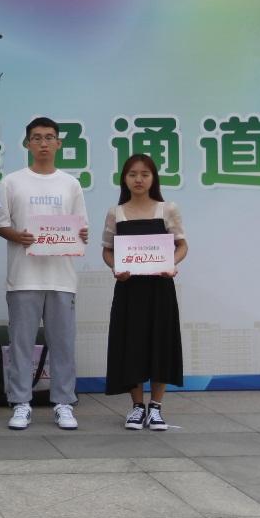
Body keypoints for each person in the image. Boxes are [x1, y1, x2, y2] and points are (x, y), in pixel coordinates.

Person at [0, 117, 88, 431]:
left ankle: (63, 402)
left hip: (62, 277)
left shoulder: (70, 184)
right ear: (27, 144)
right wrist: (17, 236)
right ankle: (21, 402)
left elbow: (81, 227)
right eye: (37, 138)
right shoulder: (11, 182)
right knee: (21, 344)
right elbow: (0, 224)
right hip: (23, 276)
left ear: (59, 143)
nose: (43, 143)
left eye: (49, 137)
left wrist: (80, 235)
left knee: (63, 344)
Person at [101, 153, 188, 431]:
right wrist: (116, 267)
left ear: (153, 178)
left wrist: (171, 264)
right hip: (129, 289)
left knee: (161, 343)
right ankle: (137, 407)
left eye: (144, 174)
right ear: (124, 179)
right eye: (132, 174)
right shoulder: (116, 212)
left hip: (160, 288)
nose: (138, 179)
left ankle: (156, 408)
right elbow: (107, 250)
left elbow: (182, 245)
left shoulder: (167, 209)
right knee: (132, 344)